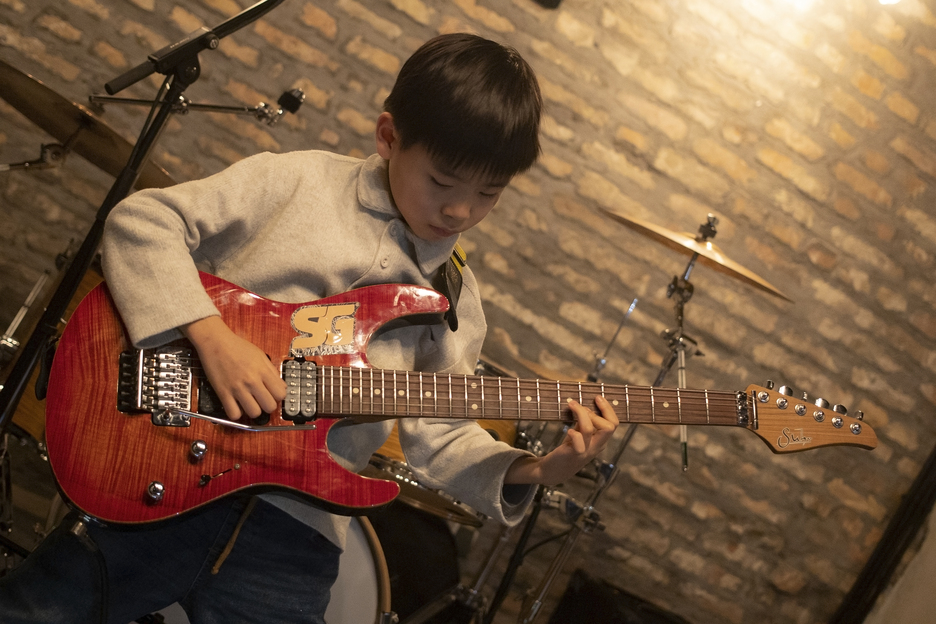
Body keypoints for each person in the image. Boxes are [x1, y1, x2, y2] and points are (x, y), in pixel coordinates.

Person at [0, 33, 618, 623]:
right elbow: (143, 222)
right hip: (164, 469)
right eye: (441, 181)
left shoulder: (456, 298)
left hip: (294, 533)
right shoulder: (296, 180)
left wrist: (537, 471)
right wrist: (212, 338)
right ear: (388, 136)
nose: (460, 210)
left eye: (488, 194)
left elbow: (442, 435)